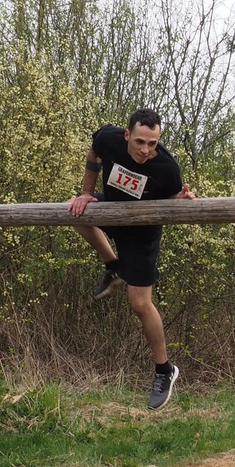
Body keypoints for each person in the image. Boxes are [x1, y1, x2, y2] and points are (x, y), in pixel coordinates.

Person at [67, 108, 195, 409]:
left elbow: (173, 197)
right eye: (140, 142)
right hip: (113, 207)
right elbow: (95, 150)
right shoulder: (109, 138)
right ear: (127, 136)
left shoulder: (166, 167)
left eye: (152, 144)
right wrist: (86, 191)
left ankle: (165, 370)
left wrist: (182, 199)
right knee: (73, 211)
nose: (145, 150)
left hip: (142, 230)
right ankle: (113, 265)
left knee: (139, 304)